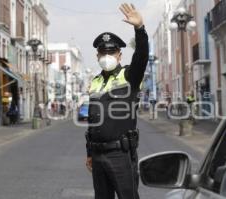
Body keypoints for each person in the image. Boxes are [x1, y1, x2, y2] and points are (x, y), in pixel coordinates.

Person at [85, 3, 148, 199]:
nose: (107, 56)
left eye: (111, 52)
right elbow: (92, 120)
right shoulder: (95, 82)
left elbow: (141, 57)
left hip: (120, 154)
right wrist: (89, 152)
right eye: (103, 53)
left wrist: (140, 29)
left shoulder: (129, 75)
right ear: (97, 56)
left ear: (119, 55)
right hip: (97, 155)